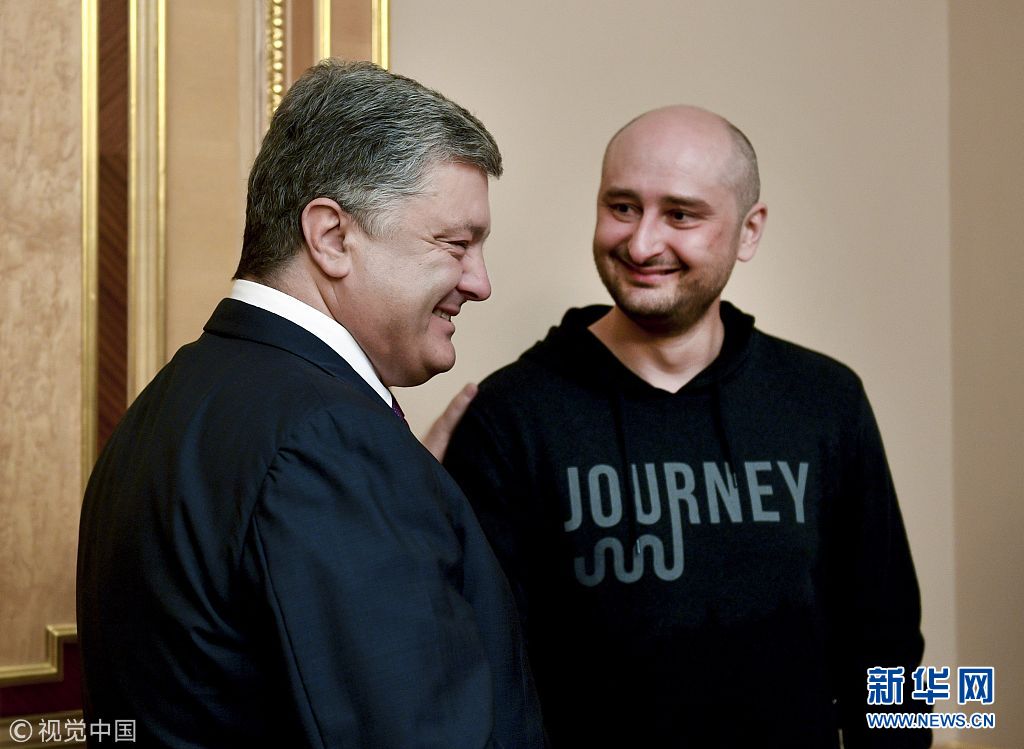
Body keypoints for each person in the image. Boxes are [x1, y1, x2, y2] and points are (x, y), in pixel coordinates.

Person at [77, 60, 544, 748]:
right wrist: (381, 483)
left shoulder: (175, 397)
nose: (479, 281)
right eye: (456, 244)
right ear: (331, 237)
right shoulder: (330, 442)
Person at [443, 105, 930, 747]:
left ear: (749, 231)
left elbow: (889, 647)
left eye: (680, 215)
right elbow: (478, 668)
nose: (642, 244)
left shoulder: (825, 401)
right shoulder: (511, 417)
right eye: (622, 207)